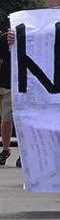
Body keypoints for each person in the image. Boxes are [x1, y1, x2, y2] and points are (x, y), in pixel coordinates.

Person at [0, 20, 17, 167]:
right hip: (7, 83)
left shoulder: (30, 38)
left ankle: (25, 154)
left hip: (26, 85)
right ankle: (5, 149)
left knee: (25, 121)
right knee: (6, 119)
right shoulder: (4, 39)